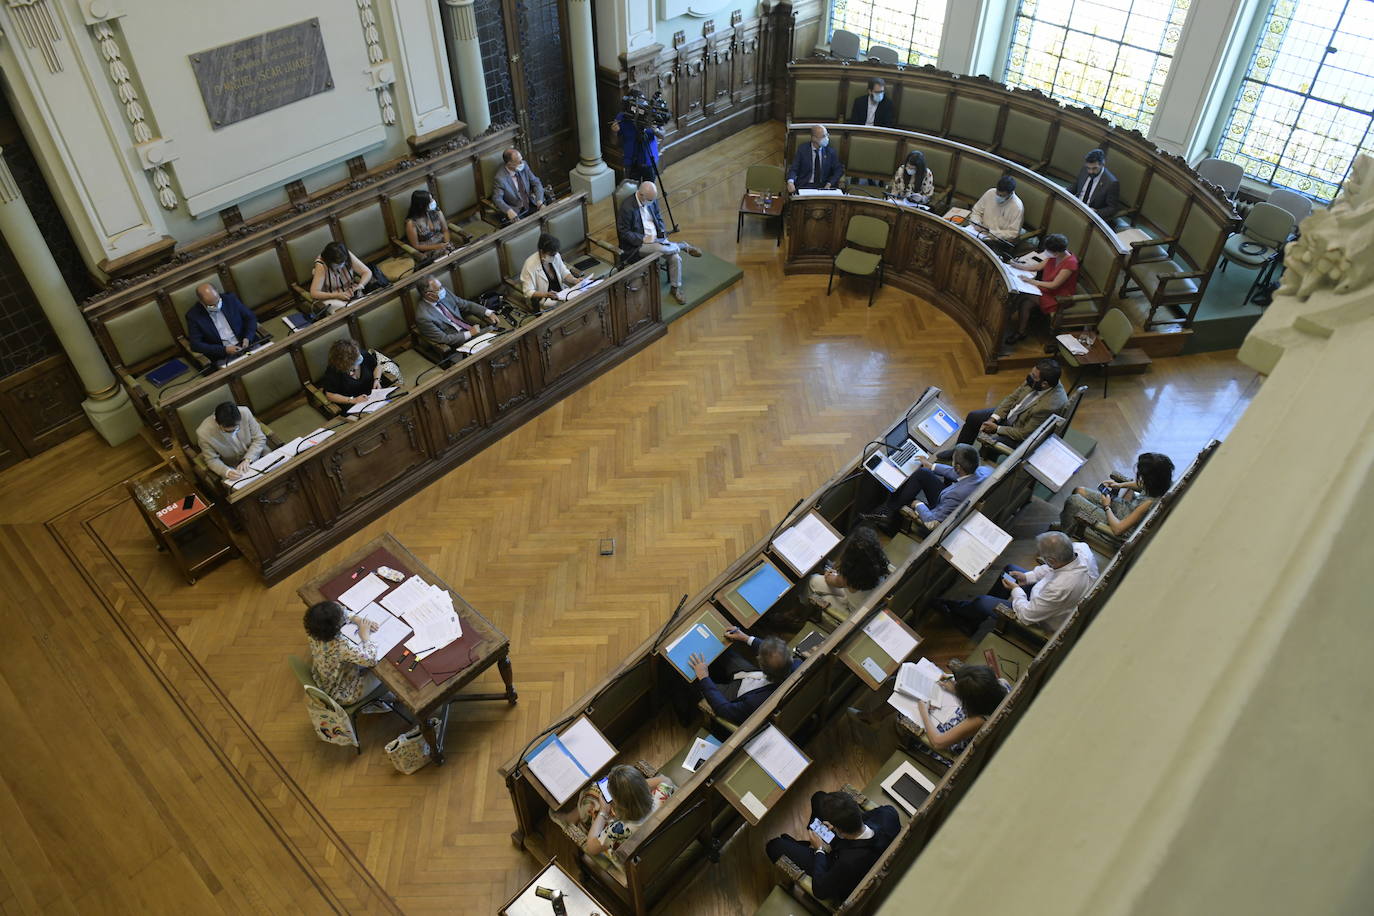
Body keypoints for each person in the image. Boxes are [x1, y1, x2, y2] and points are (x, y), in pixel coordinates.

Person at [936, 531, 1098, 635]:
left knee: (982, 601)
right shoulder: (1080, 550)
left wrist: (1016, 591)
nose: (1041, 558)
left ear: (1052, 560)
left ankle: (966, 612)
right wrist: (1028, 577)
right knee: (1010, 571)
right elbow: (1052, 569)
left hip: (1045, 619)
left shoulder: (1061, 587)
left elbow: (1027, 616)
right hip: (1048, 598)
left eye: (1044, 557)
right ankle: (976, 617)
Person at [765, 789, 899, 903]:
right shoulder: (888, 814)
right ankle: (800, 845)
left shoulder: (846, 863)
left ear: (839, 831)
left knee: (774, 846)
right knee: (819, 798)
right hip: (860, 844)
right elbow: (865, 818)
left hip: (844, 869)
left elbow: (820, 891)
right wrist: (840, 826)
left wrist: (819, 850)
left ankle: (802, 845)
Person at [862, 444, 990, 536]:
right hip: (950, 497)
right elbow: (956, 473)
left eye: (953, 459)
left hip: (940, 512)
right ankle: (889, 511)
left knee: (909, 498)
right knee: (922, 473)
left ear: (958, 467)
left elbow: (931, 523)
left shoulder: (955, 495)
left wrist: (918, 504)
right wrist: (931, 466)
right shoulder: (983, 471)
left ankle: (888, 516)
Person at [947, 359, 1067, 452]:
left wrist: (996, 428)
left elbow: (1024, 434)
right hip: (1011, 415)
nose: (1029, 377)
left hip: (1017, 432)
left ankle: (969, 465)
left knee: (988, 440)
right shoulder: (1037, 380)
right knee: (973, 417)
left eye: (1033, 376)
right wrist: (993, 419)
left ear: (1045, 384)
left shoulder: (1049, 405)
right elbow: (1012, 398)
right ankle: (958, 451)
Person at [617, 180, 702, 306]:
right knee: (661, 249)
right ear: (641, 195)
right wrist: (642, 238)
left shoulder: (651, 199)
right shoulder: (627, 207)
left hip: (658, 239)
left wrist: (661, 231)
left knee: (675, 257)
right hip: (639, 245)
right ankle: (682, 246)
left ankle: (675, 288)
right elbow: (623, 232)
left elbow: (658, 217)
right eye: (650, 200)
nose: (652, 202)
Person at [688, 630, 798, 725]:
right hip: (751, 676)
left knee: (694, 683)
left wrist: (704, 678)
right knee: (722, 648)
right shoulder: (795, 664)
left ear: (762, 666)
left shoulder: (754, 703)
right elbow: (773, 652)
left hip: (738, 693)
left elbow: (724, 710)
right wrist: (746, 638)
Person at [1061, 452, 1175, 538]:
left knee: (1073, 500)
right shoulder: (1164, 483)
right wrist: (1120, 485)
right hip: (1124, 509)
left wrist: (1107, 507)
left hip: (1118, 526)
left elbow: (1118, 530)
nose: (1141, 479)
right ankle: (1070, 523)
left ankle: (1064, 537)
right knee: (1080, 491)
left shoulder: (1148, 503)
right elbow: (1142, 485)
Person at [908, 664, 1007, 755]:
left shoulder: (979, 720)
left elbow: (938, 742)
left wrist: (924, 712)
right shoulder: (1002, 683)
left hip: (966, 747)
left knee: (904, 721)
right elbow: (983, 691)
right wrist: (959, 686)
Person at [581, 764, 677, 858]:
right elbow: (666, 780)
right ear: (644, 785)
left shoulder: (617, 830)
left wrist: (603, 812)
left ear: (617, 803)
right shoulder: (660, 796)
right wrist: (634, 787)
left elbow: (591, 848)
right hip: (671, 842)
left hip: (648, 859)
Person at [303, 600, 383, 706]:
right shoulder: (341, 646)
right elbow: (371, 660)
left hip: (326, 679)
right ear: (337, 626)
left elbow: (342, 611)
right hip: (343, 693)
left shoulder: (315, 631)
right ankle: (384, 701)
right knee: (383, 675)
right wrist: (365, 636)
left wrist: (358, 620)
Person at [1005, 233, 1079, 346]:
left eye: (1049, 251)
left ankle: (1005, 320)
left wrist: (1031, 281)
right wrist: (1017, 266)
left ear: (1057, 252)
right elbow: (1038, 267)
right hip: (1044, 289)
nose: (1046, 253)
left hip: (1058, 297)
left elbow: (1054, 285)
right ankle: (1021, 331)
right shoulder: (1054, 255)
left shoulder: (1070, 263)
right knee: (1025, 304)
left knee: (1022, 295)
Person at [807, 526, 892, 620]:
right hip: (867, 603)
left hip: (853, 614)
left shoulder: (848, 578)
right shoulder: (880, 565)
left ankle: (806, 610)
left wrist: (828, 573)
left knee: (813, 582)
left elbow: (831, 580)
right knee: (819, 584)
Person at [414, 276, 498, 352]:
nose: (443, 290)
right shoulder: (423, 316)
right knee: (494, 341)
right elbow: (443, 339)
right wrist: (470, 333)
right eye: (439, 289)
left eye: (441, 286)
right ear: (429, 295)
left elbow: (466, 305)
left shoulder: (445, 294)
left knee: (498, 335)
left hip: (471, 331)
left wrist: (488, 312)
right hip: (458, 343)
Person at [186, 283, 259, 365]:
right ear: (201, 302)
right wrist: (224, 350)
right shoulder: (193, 316)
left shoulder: (230, 299)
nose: (216, 306)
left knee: (260, 362)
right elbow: (196, 345)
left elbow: (250, 317)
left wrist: (248, 337)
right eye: (212, 305)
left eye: (217, 302)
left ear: (217, 292)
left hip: (247, 346)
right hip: (224, 356)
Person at [196, 401, 267, 481]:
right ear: (216, 422)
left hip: (257, 452)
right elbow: (211, 459)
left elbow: (259, 438)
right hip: (232, 467)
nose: (233, 432)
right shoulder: (203, 432)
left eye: (236, 428)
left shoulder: (245, 412)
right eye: (228, 431)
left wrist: (248, 459)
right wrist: (227, 471)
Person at [609, 97, 664, 182]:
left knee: (649, 189)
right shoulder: (623, 117)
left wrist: (655, 130)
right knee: (632, 189)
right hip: (630, 161)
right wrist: (614, 132)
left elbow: (662, 135)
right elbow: (614, 142)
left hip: (648, 159)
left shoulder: (650, 114)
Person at [521, 233, 582, 306]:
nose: (554, 256)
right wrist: (546, 294)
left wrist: (574, 280)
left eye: (555, 254)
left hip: (561, 294)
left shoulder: (556, 256)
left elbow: (564, 272)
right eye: (551, 254)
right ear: (541, 251)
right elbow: (528, 292)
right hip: (544, 301)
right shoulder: (530, 265)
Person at [309, 241, 375, 310]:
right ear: (329, 261)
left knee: (365, 306)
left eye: (342, 263)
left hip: (351, 293)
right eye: (337, 264)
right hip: (331, 297)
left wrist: (360, 285)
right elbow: (314, 293)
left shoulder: (344, 254)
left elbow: (367, 272)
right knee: (345, 310)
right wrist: (337, 295)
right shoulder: (321, 264)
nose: (341, 266)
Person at [320, 337, 381, 409]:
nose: (360, 357)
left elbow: (377, 367)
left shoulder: (362, 354)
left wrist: (377, 380)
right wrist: (353, 400)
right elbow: (330, 395)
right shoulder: (334, 370)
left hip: (373, 395)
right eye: (356, 359)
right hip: (351, 404)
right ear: (346, 363)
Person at [491, 148, 545, 223]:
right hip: (517, 211)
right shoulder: (500, 179)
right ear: (509, 164)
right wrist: (508, 211)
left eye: (521, 159)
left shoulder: (524, 165)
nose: (522, 163)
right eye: (518, 162)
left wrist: (539, 200)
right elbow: (497, 198)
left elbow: (536, 182)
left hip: (532, 202)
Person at [787, 125, 844, 193]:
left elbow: (839, 170)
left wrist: (829, 183)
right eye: (823, 136)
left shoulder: (830, 151)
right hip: (805, 186)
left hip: (823, 186)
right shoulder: (802, 149)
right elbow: (794, 169)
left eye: (827, 135)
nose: (827, 138)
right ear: (814, 138)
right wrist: (790, 182)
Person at [1068, 149, 1121, 222]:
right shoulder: (1084, 169)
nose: (1090, 171)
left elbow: (1112, 208)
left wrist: (1096, 212)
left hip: (1091, 217)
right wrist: (1064, 192)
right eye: (1088, 168)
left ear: (1102, 164)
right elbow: (1074, 187)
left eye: (1094, 168)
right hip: (1076, 206)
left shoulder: (1111, 183)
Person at [969, 175, 1024, 243]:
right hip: (977, 232)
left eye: (1002, 195)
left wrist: (991, 232)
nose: (998, 196)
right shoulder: (990, 193)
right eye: (997, 193)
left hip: (996, 241)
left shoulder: (1017, 207)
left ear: (1010, 193)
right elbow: (976, 211)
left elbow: (1013, 233)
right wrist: (977, 223)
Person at [403, 189, 454, 261]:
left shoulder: (437, 212)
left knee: (451, 253)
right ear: (421, 205)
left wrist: (446, 243)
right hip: (428, 251)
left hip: (444, 245)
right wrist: (437, 246)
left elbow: (445, 230)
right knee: (447, 255)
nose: (433, 201)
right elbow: (416, 246)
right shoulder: (411, 223)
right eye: (430, 201)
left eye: (432, 198)